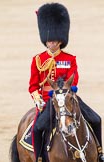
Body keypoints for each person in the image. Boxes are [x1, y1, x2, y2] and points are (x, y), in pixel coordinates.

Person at [28, 3, 104, 162]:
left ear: (61, 41)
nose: (52, 43)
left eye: (55, 41)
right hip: (49, 101)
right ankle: (40, 158)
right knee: (37, 128)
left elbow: (74, 79)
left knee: (96, 119)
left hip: (68, 98)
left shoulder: (70, 59)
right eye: (49, 41)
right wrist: (38, 100)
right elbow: (33, 86)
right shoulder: (38, 60)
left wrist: (68, 91)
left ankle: (100, 151)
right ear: (45, 41)